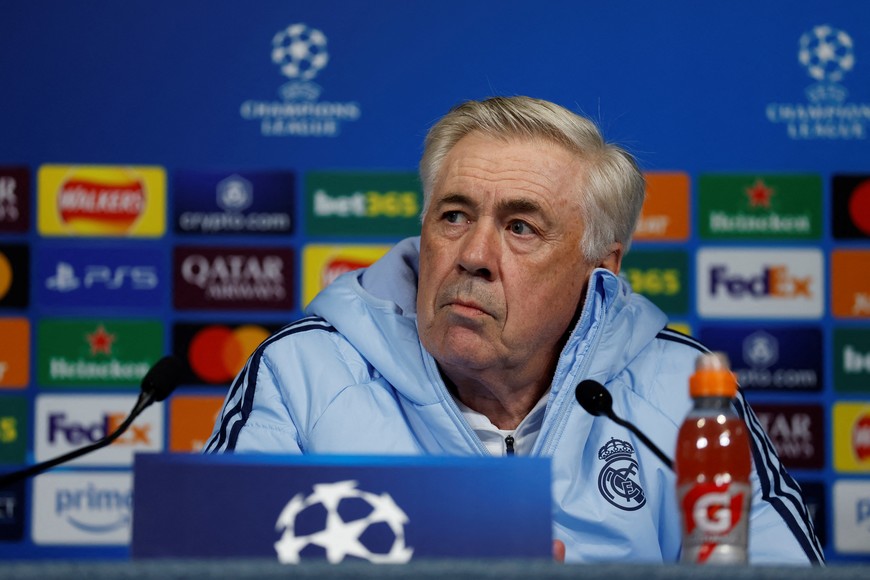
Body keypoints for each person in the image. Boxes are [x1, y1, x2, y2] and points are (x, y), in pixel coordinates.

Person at [204, 96, 823, 564]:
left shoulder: (686, 391)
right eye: (454, 215)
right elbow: (205, 564)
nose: (473, 253)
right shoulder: (301, 375)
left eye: (521, 227)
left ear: (599, 268)